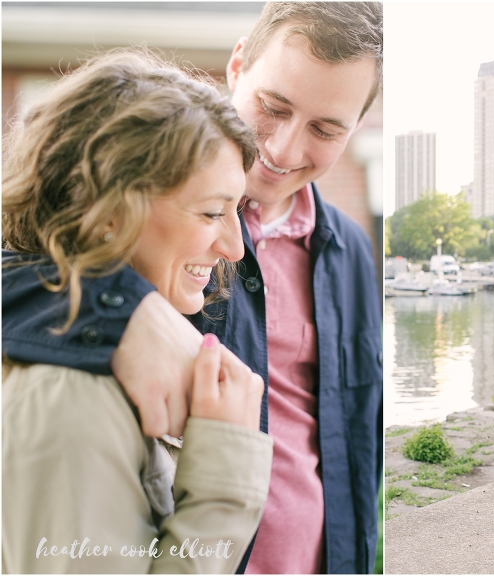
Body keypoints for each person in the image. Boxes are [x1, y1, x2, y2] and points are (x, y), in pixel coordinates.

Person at [1, 3, 383, 573]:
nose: (280, 150)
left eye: (327, 129)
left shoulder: (351, 249)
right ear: (236, 68)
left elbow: (355, 438)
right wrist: (124, 310)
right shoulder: (146, 227)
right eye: (272, 108)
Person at [2, 51, 273, 572]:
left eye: (236, 211)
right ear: (107, 212)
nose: (236, 249)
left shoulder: (113, 359)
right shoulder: (71, 398)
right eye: (212, 211)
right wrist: (224, 481)